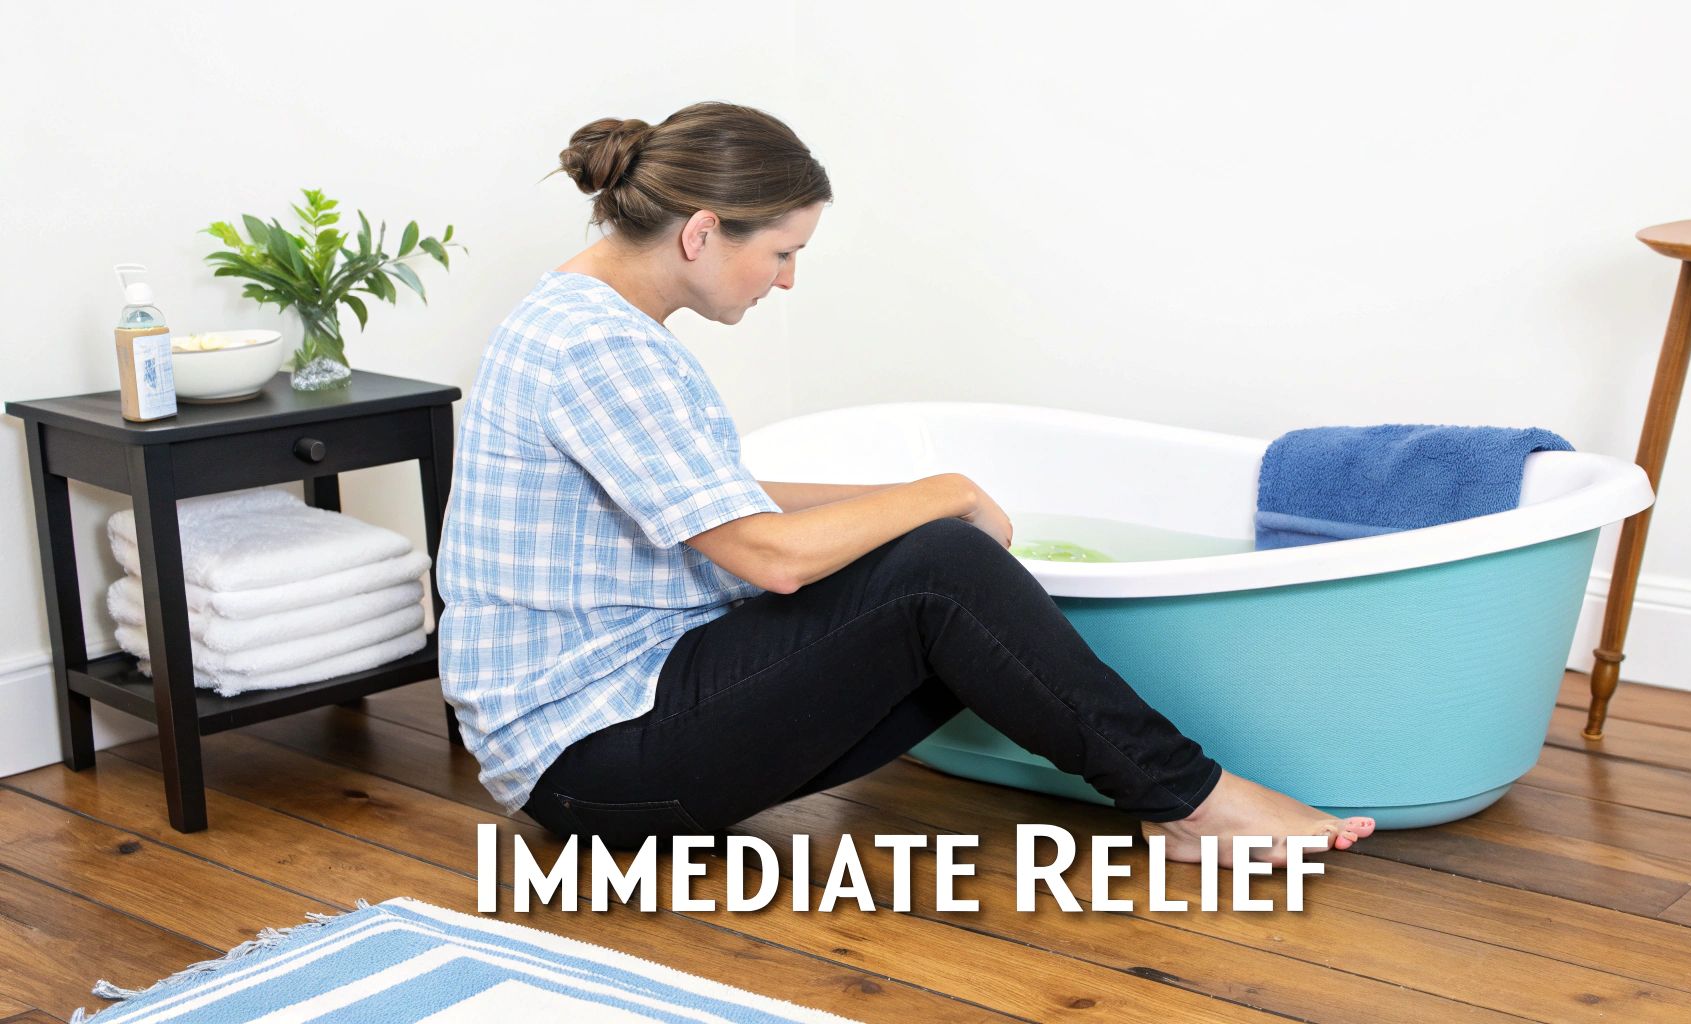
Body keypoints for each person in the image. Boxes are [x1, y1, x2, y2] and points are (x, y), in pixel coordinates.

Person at [436, 101, 1375, 868]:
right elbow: (769, 557)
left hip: (619, 718)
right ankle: (1192, 801)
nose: (788, 280)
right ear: (704, 232)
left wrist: (894, 501)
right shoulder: (602, 347)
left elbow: (717, 493)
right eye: (782, 252)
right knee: (943, 569)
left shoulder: (584, 317)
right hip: (596, 766)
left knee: (942, 580)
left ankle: (1177, 797)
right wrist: (944, 490)